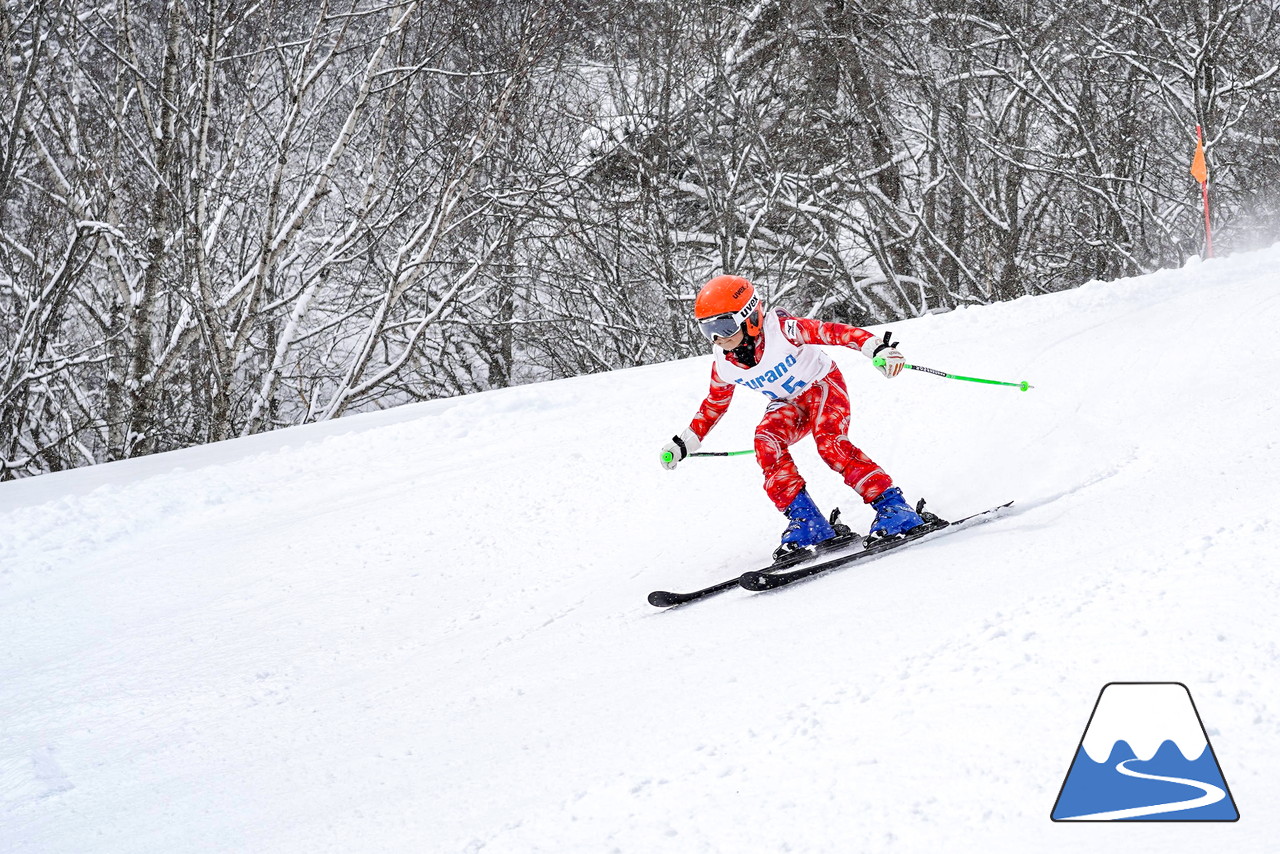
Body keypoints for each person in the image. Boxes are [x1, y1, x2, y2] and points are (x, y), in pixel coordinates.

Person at [659, 274, 924, 560]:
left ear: (749, 316)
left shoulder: (783, 331)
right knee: (765, 440)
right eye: (707, 330)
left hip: (822, 386)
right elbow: (714, 404)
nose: (718, 337)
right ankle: (810, 523)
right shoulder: (724, 363)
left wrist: (877, 348)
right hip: (787, 403)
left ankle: (895, 509)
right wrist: (684, 442)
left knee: (830, 444)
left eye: (724, 325)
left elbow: (833, 332)